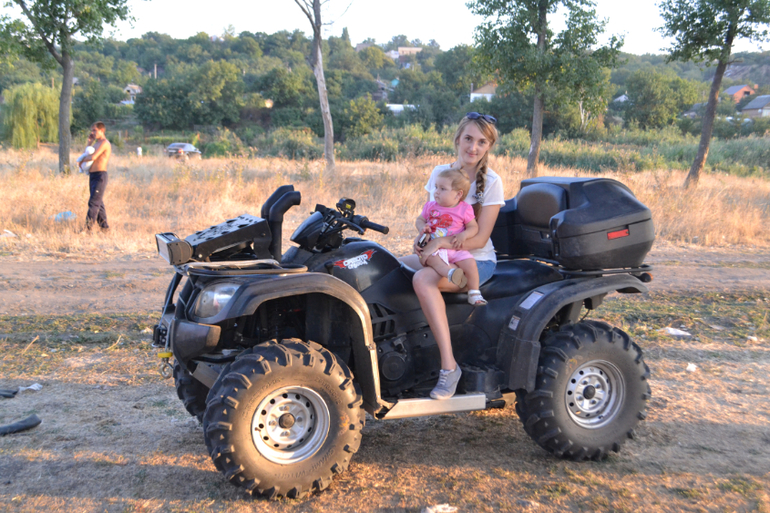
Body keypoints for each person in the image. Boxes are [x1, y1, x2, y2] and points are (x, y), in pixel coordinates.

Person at [401, 112, 504, 400]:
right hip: (441, 254)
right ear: (458, 139)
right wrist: (423, 239)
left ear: (488, 146)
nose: (473, 147)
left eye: (481, 142)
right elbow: (429, 219)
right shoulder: (440, 173)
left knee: (422, 279)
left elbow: (480, 238)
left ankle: (449, 368)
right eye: (468, 138)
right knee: (391, 267)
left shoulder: (492, 182)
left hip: (474, 261)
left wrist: (440, 243)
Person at [416, 167, 487, 306]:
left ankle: (474, 292)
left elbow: (473, 227)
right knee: (431, 260)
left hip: (455, 247)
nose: (436, 191)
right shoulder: (430, 206)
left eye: (442, 189)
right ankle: (451, 274)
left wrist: (464, 235)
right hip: (435, 249)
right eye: (436, 187)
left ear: (458, 194)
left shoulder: (464, 209)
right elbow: (420, 219)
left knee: (470, 264)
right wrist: (422, 228)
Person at [81, 122, 112, 232]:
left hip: (100, 176)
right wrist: (89, 143)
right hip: (93, 175)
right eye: (92, 130)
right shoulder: (96, 144)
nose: (92, 132)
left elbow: (93, 157)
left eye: (95, 130)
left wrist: (81, 161)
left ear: (101, 130)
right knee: (98, 202)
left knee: (93, 202)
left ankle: (87, 229)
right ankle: (104, 228)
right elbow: (87, 154)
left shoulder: (105, 143)